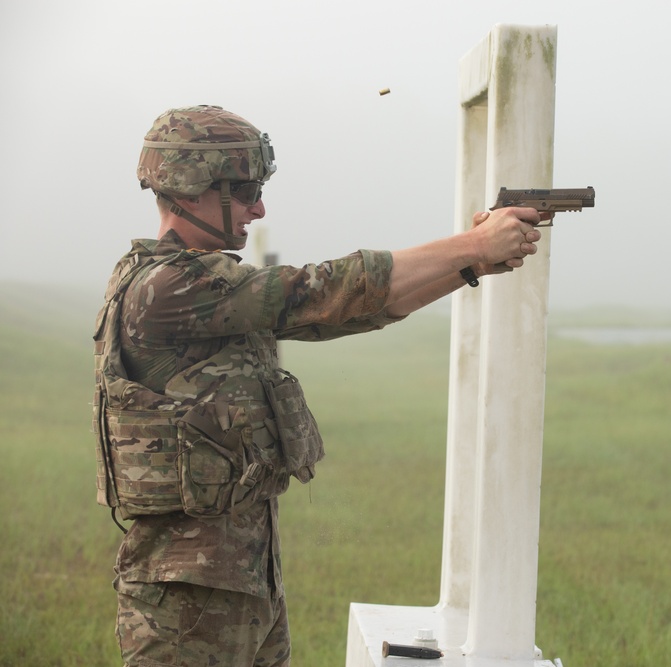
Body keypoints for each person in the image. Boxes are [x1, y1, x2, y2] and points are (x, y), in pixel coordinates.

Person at [92, 105, 545, 666]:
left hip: (241, 584)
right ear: (191, 190)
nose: (259, 207)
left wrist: (468, 267)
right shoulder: (170, 287)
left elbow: (342, 310)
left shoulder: (207, 286)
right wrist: (472, 247)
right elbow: (318, 290)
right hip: (187, 603)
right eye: (247, 189)